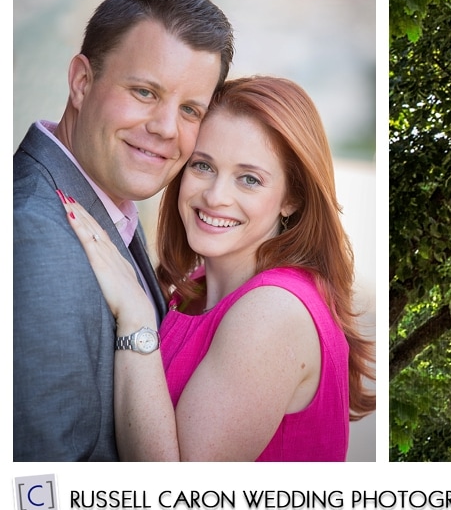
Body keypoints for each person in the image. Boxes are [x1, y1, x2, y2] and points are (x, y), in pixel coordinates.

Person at [61, 76, 375, 461]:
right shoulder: (196, 288)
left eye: (249, 179)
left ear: (291, 199)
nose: (215, 196)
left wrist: (136, 319)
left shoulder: (272, 313)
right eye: (203, 166)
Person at [13, 0, 234, 461]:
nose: (165, 129)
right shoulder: (34, 235)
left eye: (190, 109)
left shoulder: (104, 209)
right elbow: (40, 482)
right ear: (81, 82)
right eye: (144, 92)